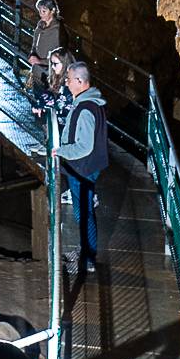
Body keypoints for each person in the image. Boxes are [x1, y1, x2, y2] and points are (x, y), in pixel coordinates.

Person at [60, 59, 109, 272]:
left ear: (80, 81)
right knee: (83, 212)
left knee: (84, 213)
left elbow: (84, 147)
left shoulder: (86, 108)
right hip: (84, 167)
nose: (66, 83)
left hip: (83, 168)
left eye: (69, 80)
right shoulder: (88, 103)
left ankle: (88, 259)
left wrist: (59, 151)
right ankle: (84, 250)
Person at [27, 0, 62, 84]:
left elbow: (61, 55)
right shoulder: (40, 26)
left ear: (52, 11)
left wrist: (41, 61)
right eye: (39, 11)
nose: (41, 14)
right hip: (37, 71)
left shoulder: (58, 30)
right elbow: (34, 44)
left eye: (44, 11)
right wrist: (32, 55)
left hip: (50, 73)